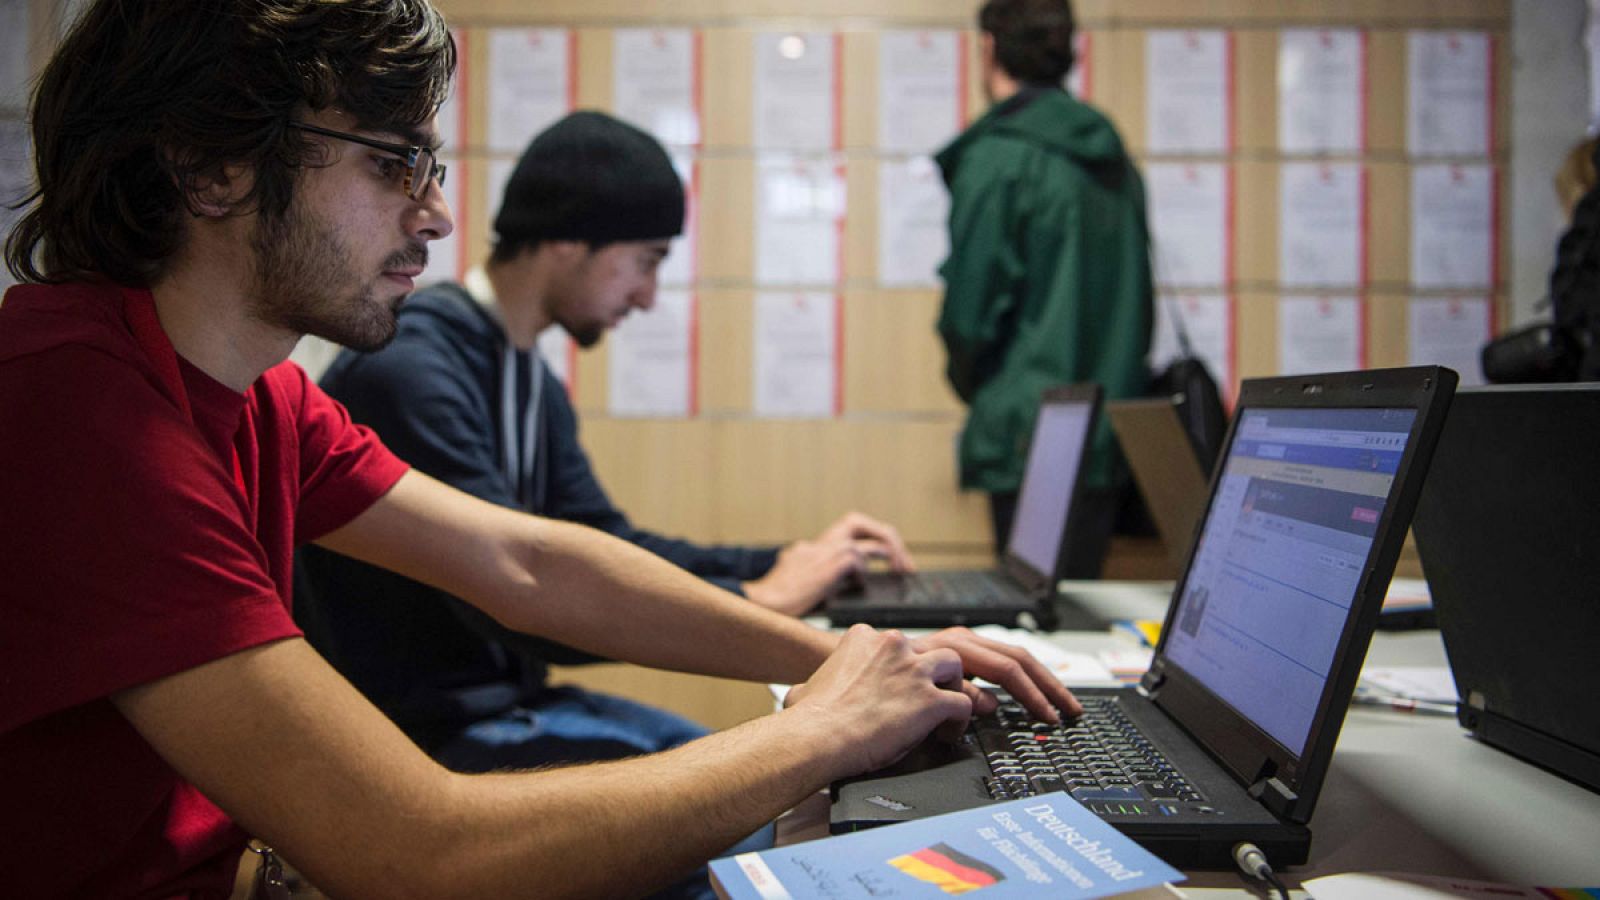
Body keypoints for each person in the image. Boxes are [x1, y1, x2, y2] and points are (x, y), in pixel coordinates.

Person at [0, 2, 1081, 898]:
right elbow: (417, 851)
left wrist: (843, 661)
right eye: (393, 163)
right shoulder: (71, 402)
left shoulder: (263, 394)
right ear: (211, 169)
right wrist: (827, 728)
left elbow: (530, 564)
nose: (433, 212)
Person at [296, 112, 916, 780]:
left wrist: (784, 560)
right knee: (760, 816)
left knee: (781, 798)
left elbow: (603, 541)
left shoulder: (526, 374)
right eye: (646, 261)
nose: (648, 297)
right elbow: (524, 597)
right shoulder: (413, 370)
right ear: (568, 239)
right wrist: (756, 600)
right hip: (422, 743)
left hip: (515, 707)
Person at [935, 0, 1153, 573]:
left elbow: (969, 315)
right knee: (1072, 611)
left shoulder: (999, 159)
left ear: (988, 49)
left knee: (1031, 623)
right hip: (1105, 429)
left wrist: (981, 388)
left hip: (1024, 434)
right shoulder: (1112, 157)